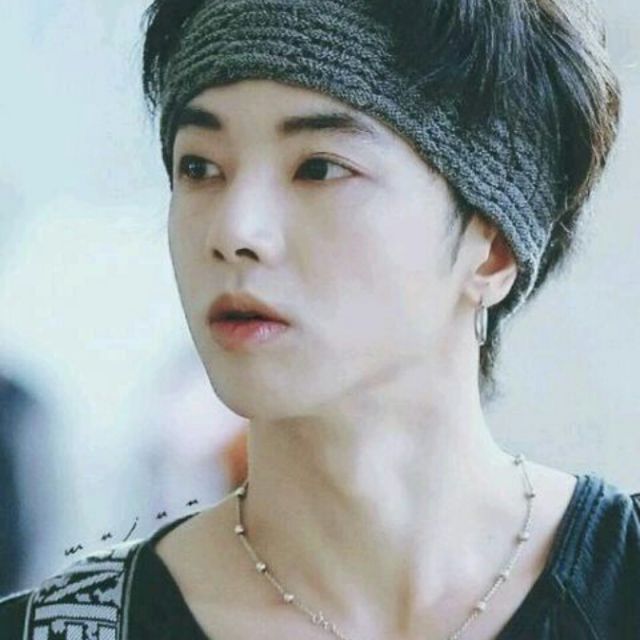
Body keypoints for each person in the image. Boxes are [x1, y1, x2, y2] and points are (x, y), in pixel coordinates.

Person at [2, 0, 639, 638]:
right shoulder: (65, 628)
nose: (234, 231)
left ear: (492, 247)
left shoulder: (622, 585)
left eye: (319, 168)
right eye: (199, 168)